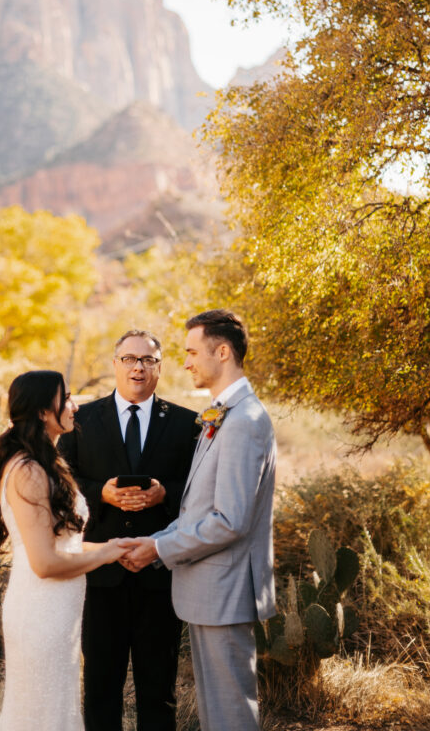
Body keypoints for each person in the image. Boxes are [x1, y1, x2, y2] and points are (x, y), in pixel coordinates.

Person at [121, 310, 277, 731]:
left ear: (222, 351)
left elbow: (229, 520)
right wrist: (155, 541)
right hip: (210, 590)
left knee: (230, 714)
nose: (186, 362)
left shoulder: (244, 420)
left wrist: (158, 548)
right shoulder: (224, 413)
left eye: (192, 352)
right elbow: (199, 509)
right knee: (216, 715)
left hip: (225, 591)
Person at [59, 329, 198, 731]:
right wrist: (99, 493)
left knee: (159, 689)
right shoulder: (81, 420)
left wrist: (163, 495)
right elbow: (62, 483)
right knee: (101, 688)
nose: (138, 367)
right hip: (101, 576)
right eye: (129, 359)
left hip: (159, 574)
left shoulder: (186, 423)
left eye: (148, 360)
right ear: (114, 365)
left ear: (160, 367)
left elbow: (196, 488)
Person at [0, 370, 130, 731]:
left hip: (59, 613)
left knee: (57, 712)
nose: (74, 406)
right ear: (43, 412)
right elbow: (46, 563)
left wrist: (115, 546)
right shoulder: (28, 471)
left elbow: (67, 545)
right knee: (38, 716)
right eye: (66, 398)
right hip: (39, 614)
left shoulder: (44, 462)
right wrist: (107, 555)